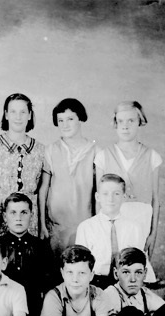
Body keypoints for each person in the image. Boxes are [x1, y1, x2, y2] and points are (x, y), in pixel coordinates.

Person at [95, 101, 161, 258]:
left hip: (141, 220)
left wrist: (153, 234)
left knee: (137, 267)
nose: (125, 126)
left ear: (140, 122)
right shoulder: (103, 156)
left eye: (131, 121)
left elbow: (155, 199)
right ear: (115, 124)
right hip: (112, 219)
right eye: (120, 121)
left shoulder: (152, 156)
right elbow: (99, 199)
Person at [38, 98, 97, 262]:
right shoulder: (51, 150)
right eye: (60, 120)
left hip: (84, 223)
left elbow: (99, 191)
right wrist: (42, 224)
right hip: (57, 226)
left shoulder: (94, 151)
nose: (65, 124)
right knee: (57, 270)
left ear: (81, 119)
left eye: (70, 119)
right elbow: (43, 190)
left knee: (80, 268)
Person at [75, 173, 155, 289]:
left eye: (116, 194)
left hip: (126, 283)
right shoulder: (86, 227)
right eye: (105, 194)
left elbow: (140, 261)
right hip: (96, 283)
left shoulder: (134, 228)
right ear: (97, 197)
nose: (110, 199)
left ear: (124, 197)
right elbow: (80, 266)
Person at [0, 93, 45, 235]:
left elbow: (42, 193)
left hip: (29, 218)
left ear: (30, 115)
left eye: (23, 112)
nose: (18, 117)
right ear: (6, 115)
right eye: (13, 112)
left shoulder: (40, 150)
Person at [1, 192, 55, 316]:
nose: (18, 218)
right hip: (3, 311)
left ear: (31, 215)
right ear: (4, 216)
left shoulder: (41, 246)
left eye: (24, 212)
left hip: (34, 311)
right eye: (13, 213)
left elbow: (50, 284)